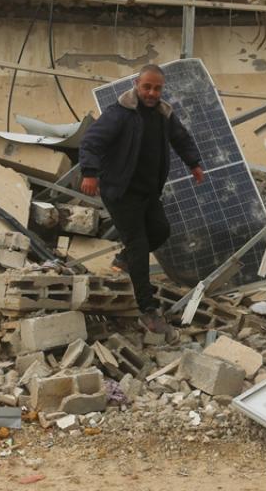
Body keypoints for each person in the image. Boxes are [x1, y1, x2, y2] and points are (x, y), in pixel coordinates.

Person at [78, 64, 203, 335]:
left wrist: (194, 163)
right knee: (139, 245)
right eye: (147, 87)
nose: (151, 93)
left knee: (160, 231)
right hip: (121, 191)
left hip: (148, 192)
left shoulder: (163, 114)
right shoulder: (120, 114)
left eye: (157, 88)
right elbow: (91, 142)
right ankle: (148, 311)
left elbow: (181, 138)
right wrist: (89, 173)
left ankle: (124, 260)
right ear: (137, 84)